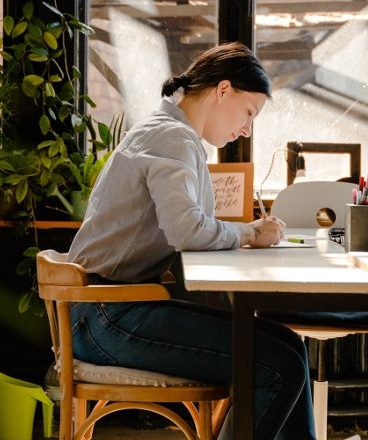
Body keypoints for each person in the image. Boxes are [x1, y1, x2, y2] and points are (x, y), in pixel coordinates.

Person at [67, 42, 316, 440]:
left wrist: (243, 233)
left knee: (288, 347)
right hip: (109, 316)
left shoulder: (168, 132)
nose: (246, 129)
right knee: (277, 366)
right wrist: (250, 232)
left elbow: (189, 225)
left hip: (107, 310)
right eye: (249, 113)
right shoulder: (173, 137)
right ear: (223, 90)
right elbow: (186, 230)